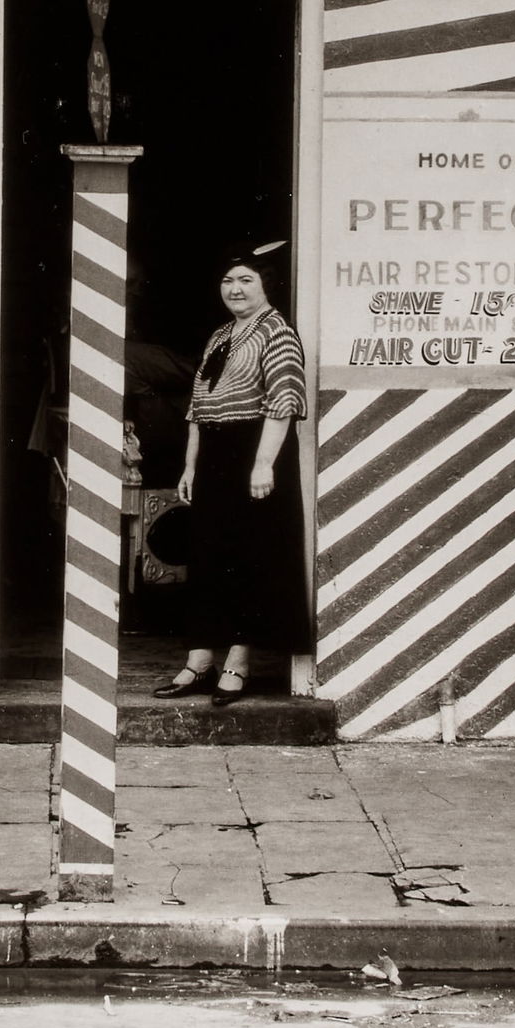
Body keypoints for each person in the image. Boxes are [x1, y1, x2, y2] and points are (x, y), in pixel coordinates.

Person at [152, 240, 310, 707]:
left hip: (254, 451)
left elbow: (283, 402)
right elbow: (199, 407)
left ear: (266, 286)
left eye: (246, 280)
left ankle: (236, 663)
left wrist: (263, 465)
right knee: (207, 555)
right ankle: (198, 661)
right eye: (228, 280)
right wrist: (189, 465)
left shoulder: (278, 332)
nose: (235, 289)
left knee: (248, 557)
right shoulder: (220, 336)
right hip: (215, 454)